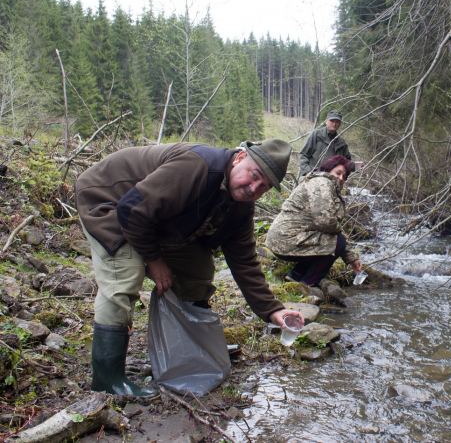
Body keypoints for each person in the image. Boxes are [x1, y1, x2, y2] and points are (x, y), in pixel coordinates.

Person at [75, 139, 304, 399]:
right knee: (124, 277)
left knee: (198, 271)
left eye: (263, 187)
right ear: (239, 158)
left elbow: (244, 260)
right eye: (254, 176)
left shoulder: (240, 206)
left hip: (156, 221)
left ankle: (193, 347)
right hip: (110, 203)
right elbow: (132, 210)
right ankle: (108, 379)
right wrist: (154, 260)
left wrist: (273, 311)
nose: (253, 188)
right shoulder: (198, 166)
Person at [265, 155, 363, 288]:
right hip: (287, 241)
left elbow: (327, 225)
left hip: (283, 240)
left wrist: (352, 258)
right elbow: (326, 222)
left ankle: (295, 276)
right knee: (338, 242)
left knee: (331, 239)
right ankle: (308, 284)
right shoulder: (322, 182)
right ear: (327, 170)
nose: (340, 178)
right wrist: (348, 252)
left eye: (344, 176)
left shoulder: (321, 183)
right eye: (338, 173)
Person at [298, 110, 363, 176]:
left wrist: (357, 166)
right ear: (326, 121)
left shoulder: (342, 143)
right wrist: (307, 172)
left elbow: (345, 163)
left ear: (340, 123)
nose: (334, 124)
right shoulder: (316, 135)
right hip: (315, 176)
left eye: (337, 122)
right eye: (332, 121)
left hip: (333, 179)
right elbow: (303, 155)